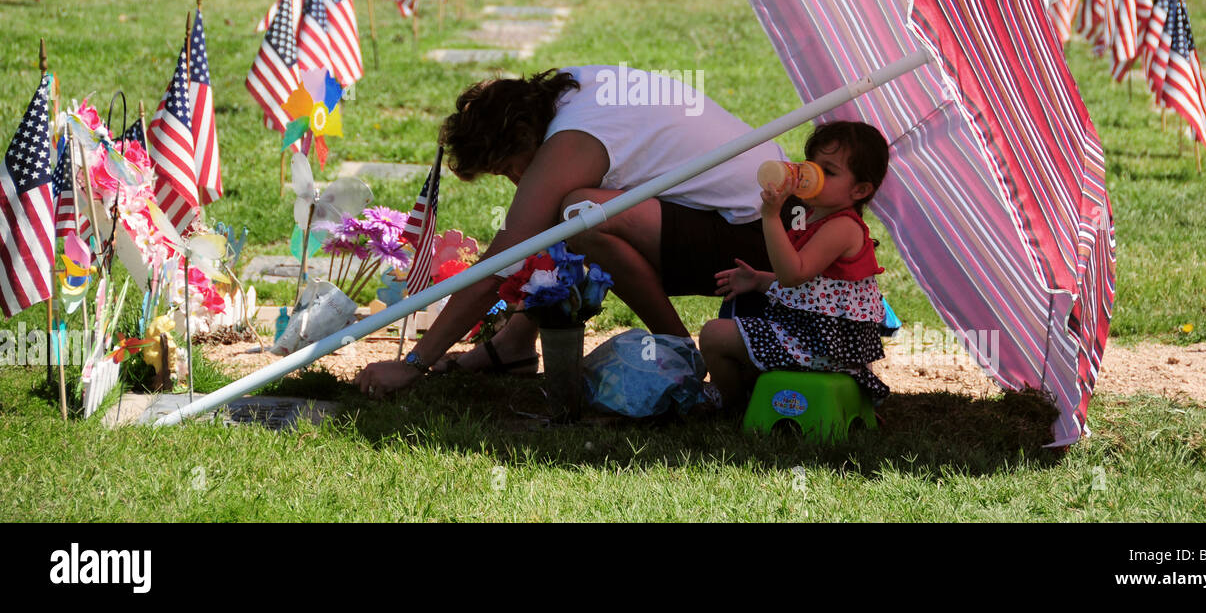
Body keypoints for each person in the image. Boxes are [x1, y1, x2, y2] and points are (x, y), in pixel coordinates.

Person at [355, 67, 789, 396]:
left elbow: (503, 262)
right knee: (566, 211)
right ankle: (514, 346)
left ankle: (679, 351)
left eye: (508, 169)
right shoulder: (570, 89)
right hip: (771, 218)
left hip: (762, 240)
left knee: (579, 216)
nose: (512, 182)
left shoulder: (573, 138)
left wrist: (414, 364)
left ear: (523, 136)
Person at [700, 121, 892, 411]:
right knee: (741, 329)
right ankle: (753, 392)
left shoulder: (842, 227)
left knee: (714, 335)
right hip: (811, 336)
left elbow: (793, 275)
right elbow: (811, 286)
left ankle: (731, 403)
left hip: (822, 348)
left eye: (828, 171)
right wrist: (759, 280)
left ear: (860, 189)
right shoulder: (813, 215)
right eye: (810, 163)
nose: (809, 174)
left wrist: (771, 217)